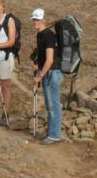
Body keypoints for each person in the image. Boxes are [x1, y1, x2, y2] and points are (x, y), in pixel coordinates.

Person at [30, 8, 63, 144]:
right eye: (34, 19)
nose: (35, 22)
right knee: (50, 106)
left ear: (43, 20)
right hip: (47, 73)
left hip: (52, 73)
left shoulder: (48, 35)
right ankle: (51, 134)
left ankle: (54, 135)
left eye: (38, 19)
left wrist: (40, 76)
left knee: (53, 106)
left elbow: (49, 60)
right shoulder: (40, 35)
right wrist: (39, 70)